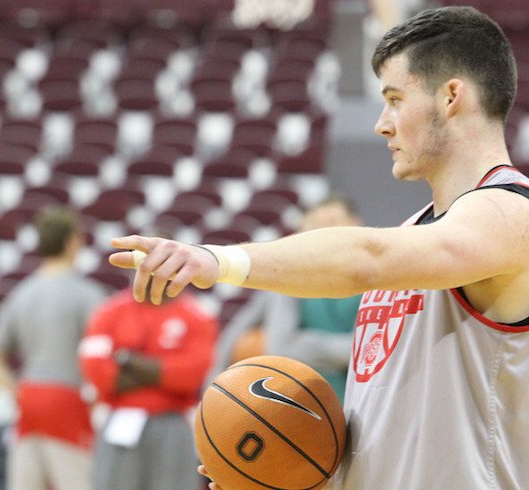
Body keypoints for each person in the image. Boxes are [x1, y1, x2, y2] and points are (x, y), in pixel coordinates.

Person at [109, 6, 529, 489]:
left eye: (394, 99)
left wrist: (217, 260)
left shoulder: (511, 213)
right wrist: (280, 468)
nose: (382, 124)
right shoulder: (417, 227)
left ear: (452, 95)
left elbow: (366, 259)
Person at [0, 206, 104, 490]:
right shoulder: (86, 294)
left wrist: (19, 391)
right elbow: (103, 357)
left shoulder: (21, 293)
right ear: (72, 241)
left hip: (29, 398)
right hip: (69, 400)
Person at [209, 195, 362, 400]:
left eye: (333, 223)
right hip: (295, 398)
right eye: (316, 226)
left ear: (356, 224)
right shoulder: (288, 275)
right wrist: (211, 389)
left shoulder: (374, 278)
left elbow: (363, 351)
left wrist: (304, 342)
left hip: (355, 398)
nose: (326, 233)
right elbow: (276, 345)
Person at [78, 285, 217, 490]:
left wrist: (128, 362)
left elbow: (192, 375)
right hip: (120, 420)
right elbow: (98, 372)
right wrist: (160, 372)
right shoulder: (110, 310)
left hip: (172, 421)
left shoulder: (196, 315)